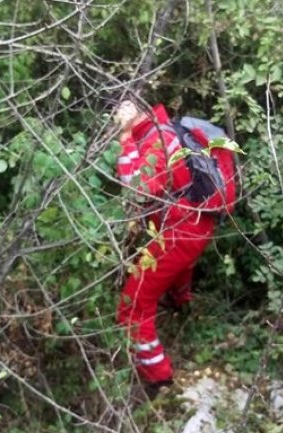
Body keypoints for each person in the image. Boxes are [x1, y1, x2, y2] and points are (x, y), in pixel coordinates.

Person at [113, 99, 221, 395]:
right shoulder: (164, 131)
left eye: (123, 112)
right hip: (192, 226)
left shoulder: (155, 142)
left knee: (131, 307)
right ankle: (183, 310)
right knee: (176, 273)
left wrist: (124, 138)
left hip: (181, 232)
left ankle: (160, 381)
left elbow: (138, 190)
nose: (118, 119)